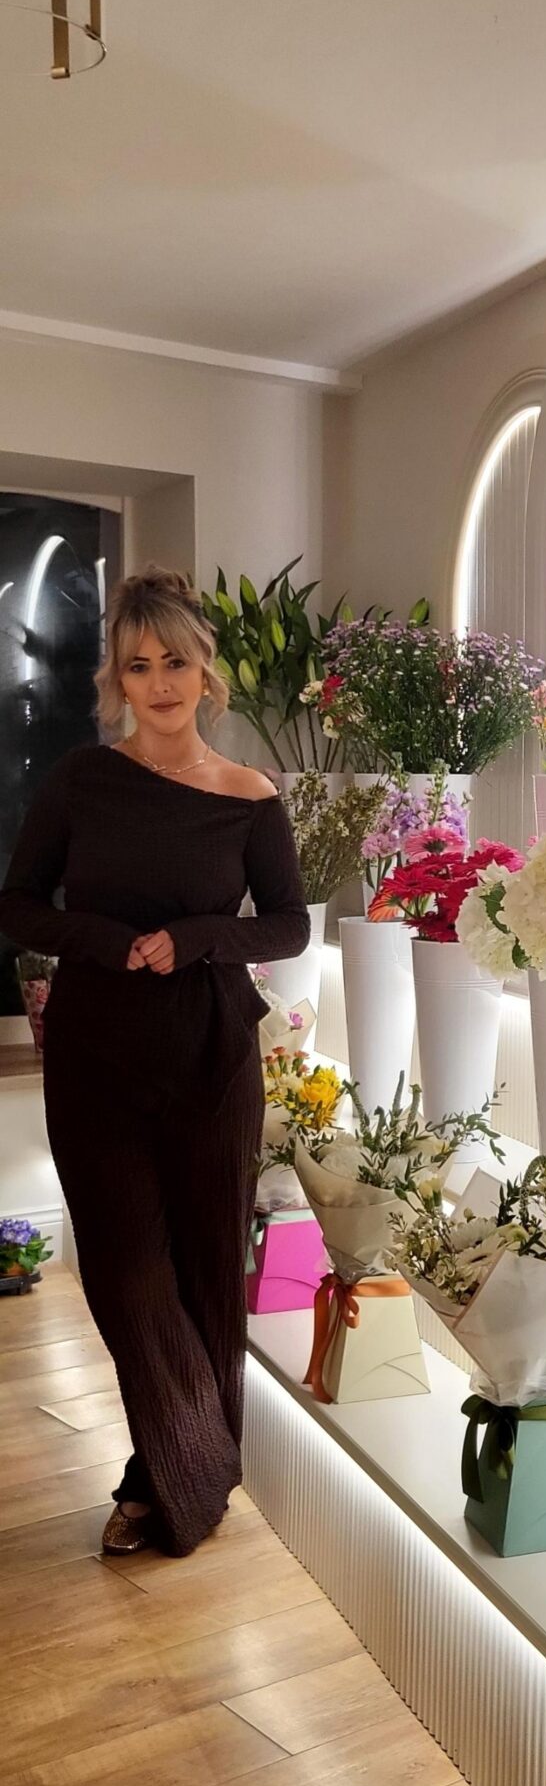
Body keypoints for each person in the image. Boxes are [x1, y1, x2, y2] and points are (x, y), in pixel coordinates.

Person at [0, 565, 309, 1557]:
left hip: (213, 1054)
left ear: (203, 670)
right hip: (97, 1053)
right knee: (129, 1273)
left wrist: (202, 936)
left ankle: (161, 1486)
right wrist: (95, 937)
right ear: (117, 682)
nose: (160, 680)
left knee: (209, 1273)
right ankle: (201, 1460)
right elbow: (15, 905)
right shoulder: (83, 781)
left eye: (175, 659)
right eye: (139, 665)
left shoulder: (250, 796)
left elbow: (291, 927)